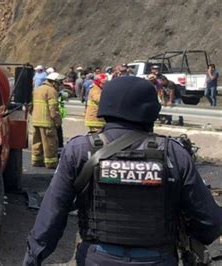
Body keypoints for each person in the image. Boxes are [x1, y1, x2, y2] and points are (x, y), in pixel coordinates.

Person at [23, 76, 222, 266]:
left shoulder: (79, 150)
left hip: (97, 259)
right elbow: (210, 222)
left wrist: (33, 258)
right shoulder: (174, 154)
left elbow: (52, 213)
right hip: (157, 259)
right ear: (151, 110)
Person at [31, 72, 65, 169]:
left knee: (37, 142)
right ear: (54, 82)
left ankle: (36, 160)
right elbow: (53, 109)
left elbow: (31, 106)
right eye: (59, 83)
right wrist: (58, 121)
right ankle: (51, 163)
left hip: (36, 120)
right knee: (49, 144)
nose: (60, 85)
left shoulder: (37, 90)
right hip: (47, 122)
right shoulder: (52, 91)